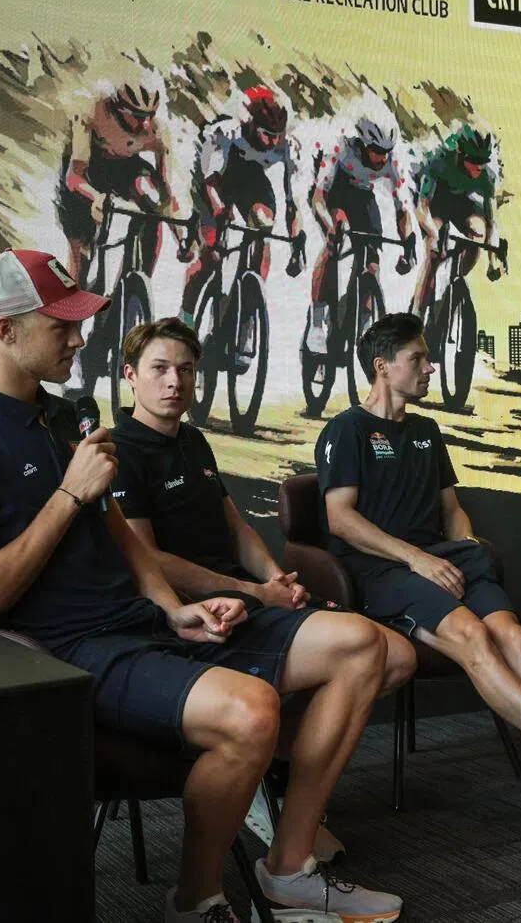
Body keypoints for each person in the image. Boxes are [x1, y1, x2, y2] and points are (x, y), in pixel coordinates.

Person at [0, 249, 402, 923]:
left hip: (143, 626)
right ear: (4, 331)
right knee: (252, 712)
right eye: (61, 326)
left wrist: (175, 609)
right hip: (73, 650)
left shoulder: (61, 417)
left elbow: (118, 532)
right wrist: (65, 495)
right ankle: (196, 898)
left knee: (361, 644)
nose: (79, 339)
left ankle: (289, 870)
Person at [315, 311, 521, 838]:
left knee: (512, 634)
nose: (430, 365)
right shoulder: (347, 429)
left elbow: (451, 510)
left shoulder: (425, 430)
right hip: (383, 571)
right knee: (471, 635)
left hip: (442, 559)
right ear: (382, 367)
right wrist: (416, 558)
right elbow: (340, 520)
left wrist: (463, 543)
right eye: (417, 358)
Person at [110, 316, 418, 861]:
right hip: (192, 615)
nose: (174, 382)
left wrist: (274, 579)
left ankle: (267, 770)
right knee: (367, 655)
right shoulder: (119, 450)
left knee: (396, 658)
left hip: (246, 597)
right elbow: (148, 560)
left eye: (185, 370)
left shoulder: (193, 440)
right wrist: (251, 592)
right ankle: (273, 793)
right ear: (130, 375)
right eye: (159, 369)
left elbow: (237, 526)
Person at [180, 86, 306, 329]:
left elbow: (293, 204)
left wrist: (296, 240)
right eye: (267, 135)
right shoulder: (227, 132)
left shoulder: (288, 145)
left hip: (249, 176)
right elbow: (210, 184)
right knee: (212, 253)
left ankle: (250, 305)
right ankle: (184, 321)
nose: (273, 142)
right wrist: (220, 212)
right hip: (213, 178)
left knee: (263, 223)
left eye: (277, 135)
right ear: (251, 125)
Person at [306, 107, 416, 356]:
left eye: (386, 152)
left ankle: (364, 320)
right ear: (363, 143)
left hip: (363, 196)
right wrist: (329, 230)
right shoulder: (341, 147)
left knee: (372, 263)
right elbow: (319, 198)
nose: (382, 159)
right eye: (376, 152)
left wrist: (408, 242)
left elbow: (403, 208)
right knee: (335, 237)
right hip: (334, 192)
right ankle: (317, 322)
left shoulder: (392, 160)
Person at [57, 68, 178, 286]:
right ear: (115, 110)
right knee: (79, 264)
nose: (145, 125)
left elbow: (166, 195)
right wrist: (94, 197)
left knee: (150, 197)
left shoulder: (156, 132)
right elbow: (74, 177)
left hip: (125, 169)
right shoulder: (91, 114)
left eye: (150, 116)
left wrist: (181, 235)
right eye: (137, 117)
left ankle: (137, 286)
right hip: (87, 173)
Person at [410, 122, 506, 319]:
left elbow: (490, 222)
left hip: (464, 203)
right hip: (437, 202)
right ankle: (417, 312)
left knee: (476, 235)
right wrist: (433, 235)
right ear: (461, 155)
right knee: (434, 251)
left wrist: (492, 260)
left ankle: (455, 280)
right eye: (474, 160)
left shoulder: (487, 176)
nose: (479, 166)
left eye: (483, 161)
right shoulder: (439, 160)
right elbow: (422, 208)